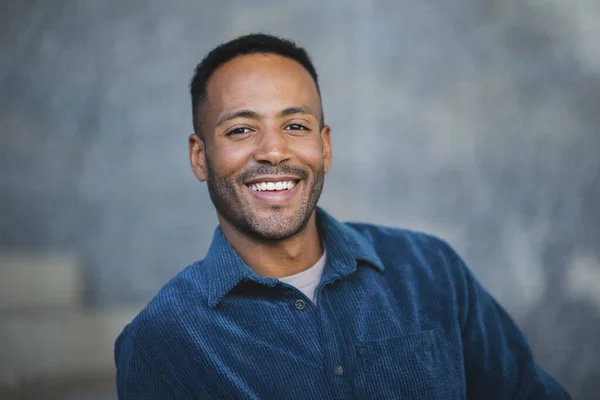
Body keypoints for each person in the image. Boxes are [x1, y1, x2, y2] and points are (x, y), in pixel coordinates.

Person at [114, 33, 570, 399]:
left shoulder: (430, 270)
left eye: (295, 126)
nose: (273, 150)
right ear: (200, 157)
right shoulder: (163, 340)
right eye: (240, 129)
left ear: (325, 146)